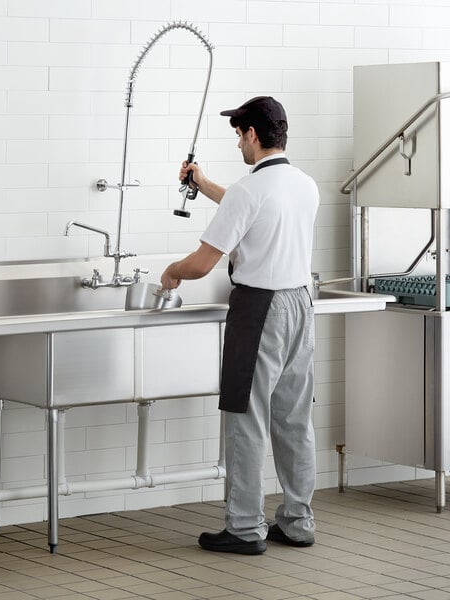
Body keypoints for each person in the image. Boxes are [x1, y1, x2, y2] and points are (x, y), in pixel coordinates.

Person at [160, 96, 319, 555]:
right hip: (301, 306)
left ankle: (246, 527)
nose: (237, 144)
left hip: (259, 309)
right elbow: (251, 206)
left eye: (238, 135)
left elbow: (204, 263)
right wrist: (205, 183)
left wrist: (172, 271)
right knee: (293, 418)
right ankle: (297, 521)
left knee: (246, 418)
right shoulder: (302, 184)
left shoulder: (252, 190)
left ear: (252, 135)